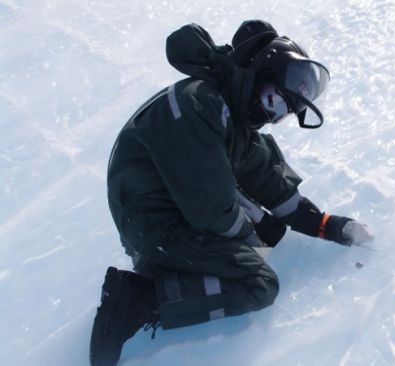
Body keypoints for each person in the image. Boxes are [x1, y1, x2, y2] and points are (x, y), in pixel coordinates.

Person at [89, 20, 374, 366]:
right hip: (154, 222)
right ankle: (140, 298)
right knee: (258, 282)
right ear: (257, 73)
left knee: (253, 243)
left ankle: (167, 269)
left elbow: (274, 188)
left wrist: (330, 225)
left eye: (283, 112)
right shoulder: (199, 106)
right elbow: (213, 212)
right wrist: (251, 234)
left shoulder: (233, 120)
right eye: (274, 101)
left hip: (172, 208)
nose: (273, 116)